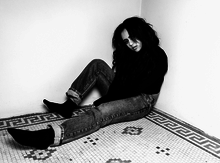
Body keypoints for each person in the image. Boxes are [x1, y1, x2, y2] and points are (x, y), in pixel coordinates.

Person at [7, 16, 168, 149]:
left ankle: (49, 136)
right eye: (126, 41)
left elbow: (134, 89)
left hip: (142, 100)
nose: (130, 44)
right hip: (124, 91)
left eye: (133, 38)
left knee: (103, 110)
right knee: (97, 64)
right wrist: (111, 94)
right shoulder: (129, 55)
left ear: (142, 33)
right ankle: (69, 105)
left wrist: (106, 100)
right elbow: (121, 82)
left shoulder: (158, 57)